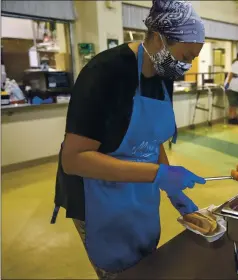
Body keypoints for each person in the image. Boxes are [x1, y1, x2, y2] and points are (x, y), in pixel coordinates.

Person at [52, 0, 206, 278]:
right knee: (119, 270)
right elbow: (74, 159)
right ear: (159, 39)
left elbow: (151, 135)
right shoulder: (106, 72)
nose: (186, 65)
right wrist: (158, 174)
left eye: (192, 59)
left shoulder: (162, 74)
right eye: (185, 55)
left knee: (147, 265)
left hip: (137, 188)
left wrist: (173, 188)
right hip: (96, 195)